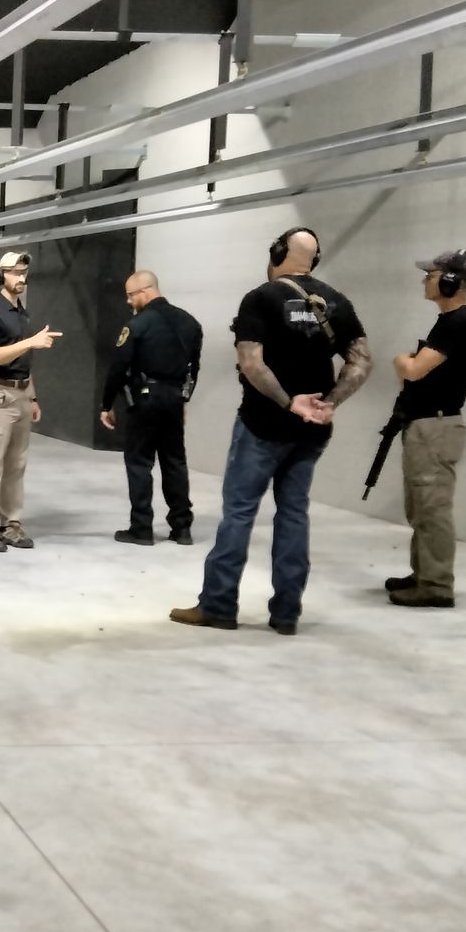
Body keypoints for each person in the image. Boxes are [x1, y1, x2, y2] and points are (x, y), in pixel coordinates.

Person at [170, 227, 371, 636]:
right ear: (314, 260)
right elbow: (361, 361)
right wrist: (330, 402)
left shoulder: (260, 298)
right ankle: (286, 613)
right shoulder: (336, 301)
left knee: (239, 514)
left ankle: (218, 605)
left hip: (262, 426)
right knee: (294, 514)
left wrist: (287, 401)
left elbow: (252, 363)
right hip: (311, 432)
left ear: (278, 253)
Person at [387, 250, 466, 610]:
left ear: (450, 281)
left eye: (431, 275)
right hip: (430, 424)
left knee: (432, 507)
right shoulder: (451, 322)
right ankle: (424, 573)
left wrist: (401, 360)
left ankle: (436, 584)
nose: (425, 281)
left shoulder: (457, 323)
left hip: (436, 426)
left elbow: (414, 370)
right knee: (421, 506)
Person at [100, 270, 203, 546]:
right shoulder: (190, 323)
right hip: (174, 399)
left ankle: (141, 528)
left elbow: (118, 367)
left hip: (145, 399)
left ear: (145, 291)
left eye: (130, 296)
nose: (128, 302)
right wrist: (184, 399)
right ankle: (182, 528)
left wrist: (106, 404)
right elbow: (193, 369)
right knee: (174, 462)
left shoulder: (138, 325)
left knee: (139, 462)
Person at [0, 251, 62, 552]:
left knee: (16, 466)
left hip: (21, 394)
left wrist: (32, 396)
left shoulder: (21, 313)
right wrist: (31, 342)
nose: (21, 277)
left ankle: (10, 525)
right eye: (14, 272)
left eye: (24, 272)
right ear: (0, 276)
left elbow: (24, 360)